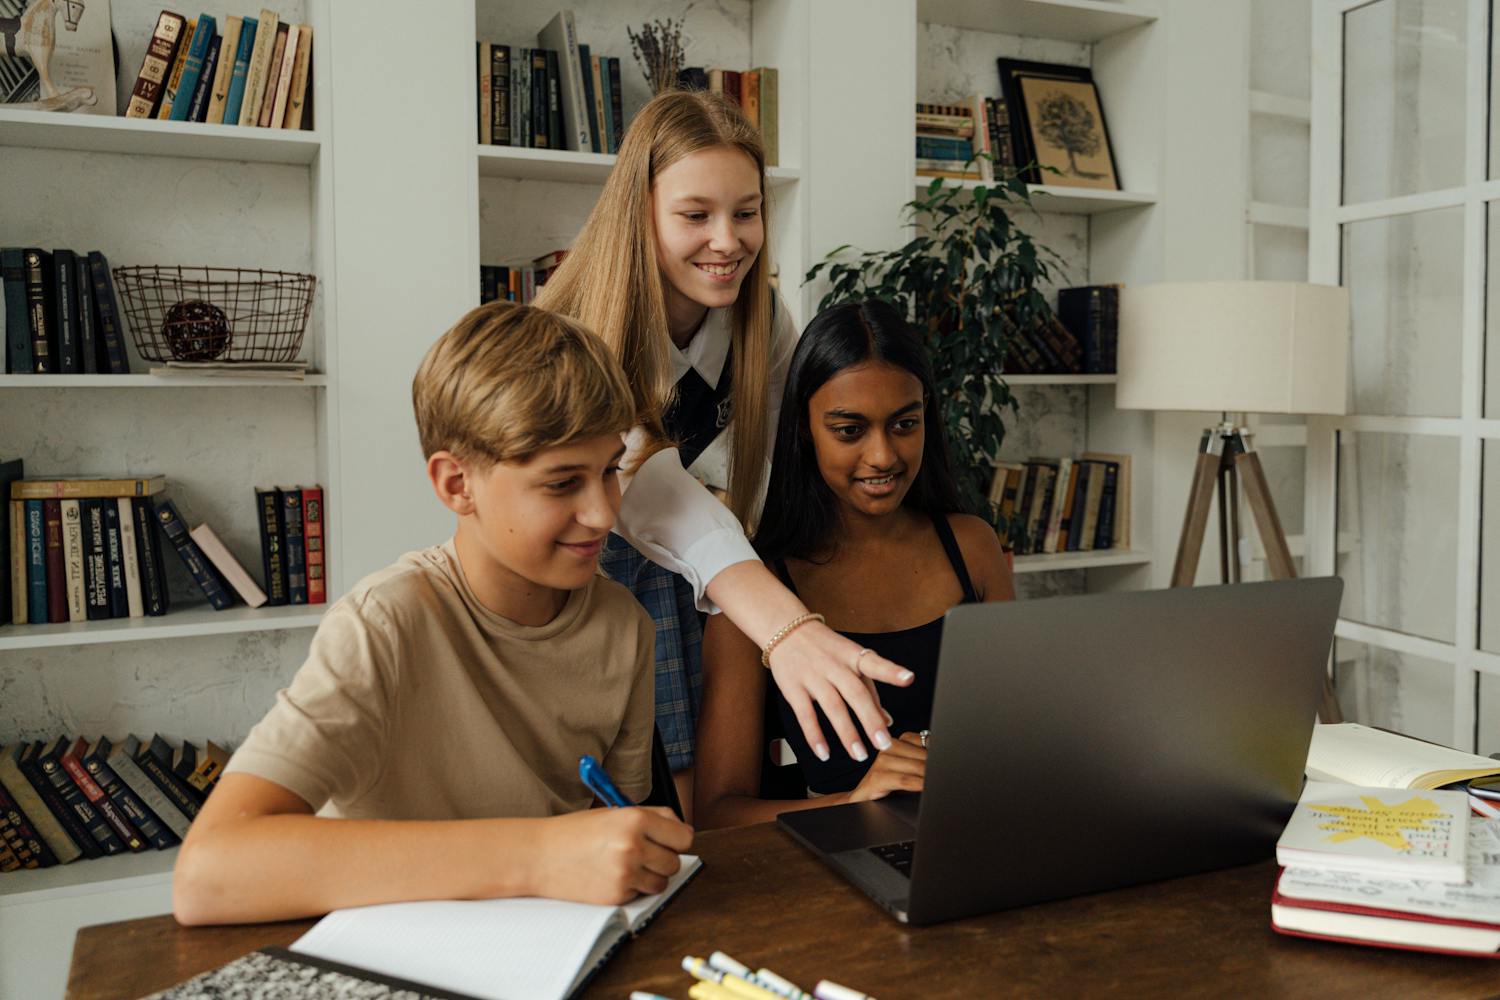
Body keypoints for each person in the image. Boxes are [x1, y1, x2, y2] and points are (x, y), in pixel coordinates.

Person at [171, 303, 693, 925]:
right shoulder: (383, 623)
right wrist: (537, 854)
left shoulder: (623, 625)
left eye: (609, 471)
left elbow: (613, 825)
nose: (604, 514)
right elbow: (208, 873)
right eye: (561, 484)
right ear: (455, 485)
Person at [536, 91, 911, 806]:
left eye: (746, 212)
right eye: (694, 214)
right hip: (593, 579)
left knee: (715, 798)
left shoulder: (761, 323)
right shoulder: (577, 329)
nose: (727, 240)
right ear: (639, 213)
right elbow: (647, 484)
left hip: (714, 574)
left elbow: (786, 456)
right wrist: (784, 625)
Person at [693, 300, 1016, 829]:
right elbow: (717, 815)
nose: (883, 456)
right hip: (836, 867)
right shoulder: (755, 589)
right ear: (803, 429)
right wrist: (854, 805)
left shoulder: (973, 547)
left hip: (981, 831)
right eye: (849, 430)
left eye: (905, 424)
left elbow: (1020, 729)